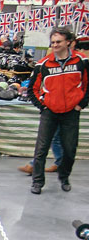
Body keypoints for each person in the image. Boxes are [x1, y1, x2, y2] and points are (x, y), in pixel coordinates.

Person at [28, 27, 89, 194]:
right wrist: (42, 105)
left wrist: (80, 104)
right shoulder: (43, 64)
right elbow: (32, 89)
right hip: (49, 112)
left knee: (70, 149)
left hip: (71, 112)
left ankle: (64, 177)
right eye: (53, 42)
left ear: (68, 42)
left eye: (58, 42)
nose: (55, 45)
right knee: (41, 149)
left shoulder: (81, 61)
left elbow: (87, 85)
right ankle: (37, 182)